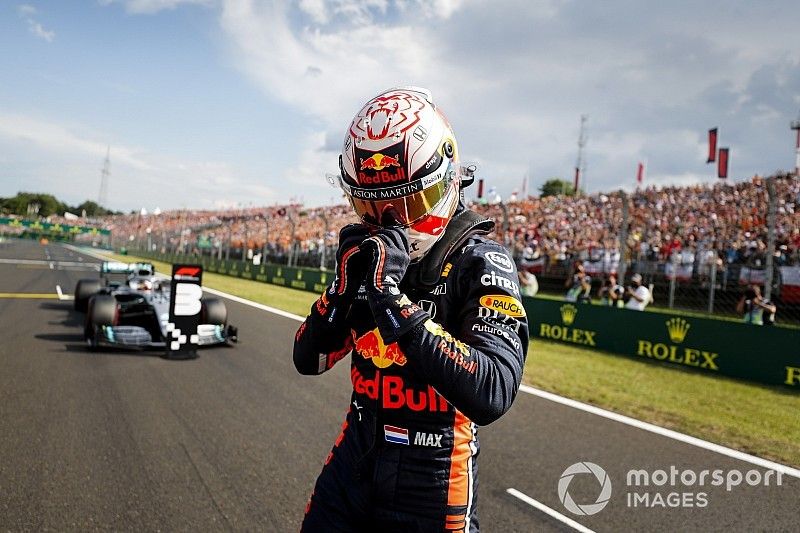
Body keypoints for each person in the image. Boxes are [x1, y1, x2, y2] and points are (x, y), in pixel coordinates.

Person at [293, 87, 528, 532]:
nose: (388, 222)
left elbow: (493, 391)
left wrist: (394, 302)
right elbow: (309, 359)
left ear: (445, 181)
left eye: (404, 205)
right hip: (356, 455)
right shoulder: (368, 255)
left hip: (434, 475)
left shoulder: (481, 261)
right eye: (371, 206)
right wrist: (341, 294)